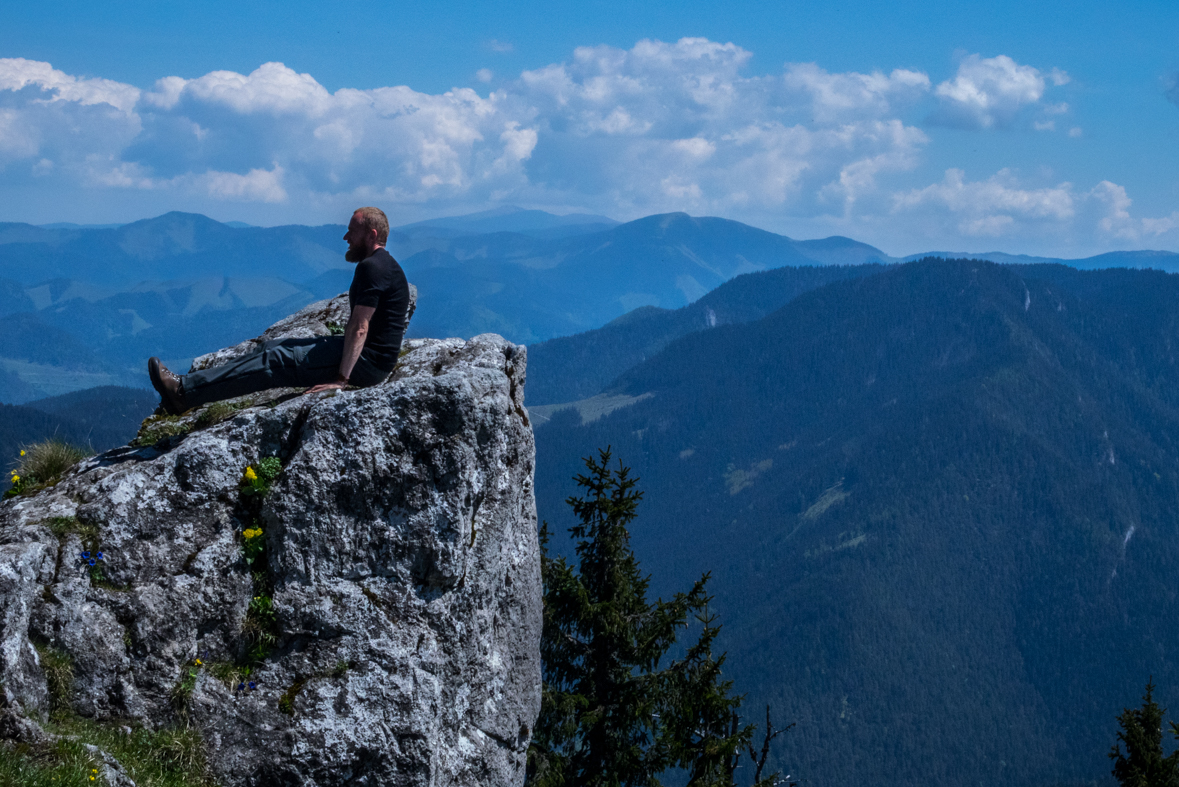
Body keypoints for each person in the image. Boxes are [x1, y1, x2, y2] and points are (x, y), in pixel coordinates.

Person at [147, 207, 410, 415]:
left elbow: (360, 326)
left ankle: (183, 393)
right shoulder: (383, 265)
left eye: (352, 231)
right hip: (370, 359)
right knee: (271, 348)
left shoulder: (373, 268)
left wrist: (341, 379)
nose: (346, 238)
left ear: (372, 234)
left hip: (369, 364)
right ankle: (191, 387)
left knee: (275, 362)